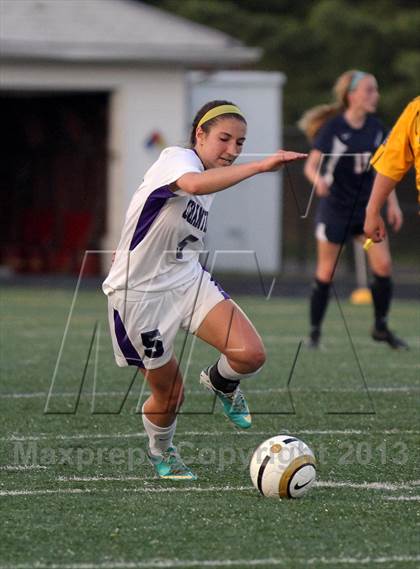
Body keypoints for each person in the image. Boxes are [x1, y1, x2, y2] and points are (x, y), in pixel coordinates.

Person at [103, 100, 306, 480]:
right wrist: (261, 166)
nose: (232, 150)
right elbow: (190, 185)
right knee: (171, 395)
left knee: (250, 355)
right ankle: (161, 452)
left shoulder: (209, 175)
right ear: (200, 134)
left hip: (186, 279)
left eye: (241, 143)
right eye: (224, 139)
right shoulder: (177, 158)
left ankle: (220, 380)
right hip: (139, 296)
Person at [298, 70, 408, 350]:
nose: (376, 95)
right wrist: (317, 179)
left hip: (366, 211)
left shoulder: (377, 128)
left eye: (376, 90)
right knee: (326, 272)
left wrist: (392, 204)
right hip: (335, 209)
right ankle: (314, 333)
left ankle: (381, 327)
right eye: (370, 90)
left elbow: (388, 170)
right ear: (352, 95)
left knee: (383, 266)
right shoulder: (334, 128)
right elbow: (311, 166)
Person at [364, 96, 419, 242]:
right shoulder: (416, 111)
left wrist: (373, 211)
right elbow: (390, 163)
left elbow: (389, 163)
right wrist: (372, 211)